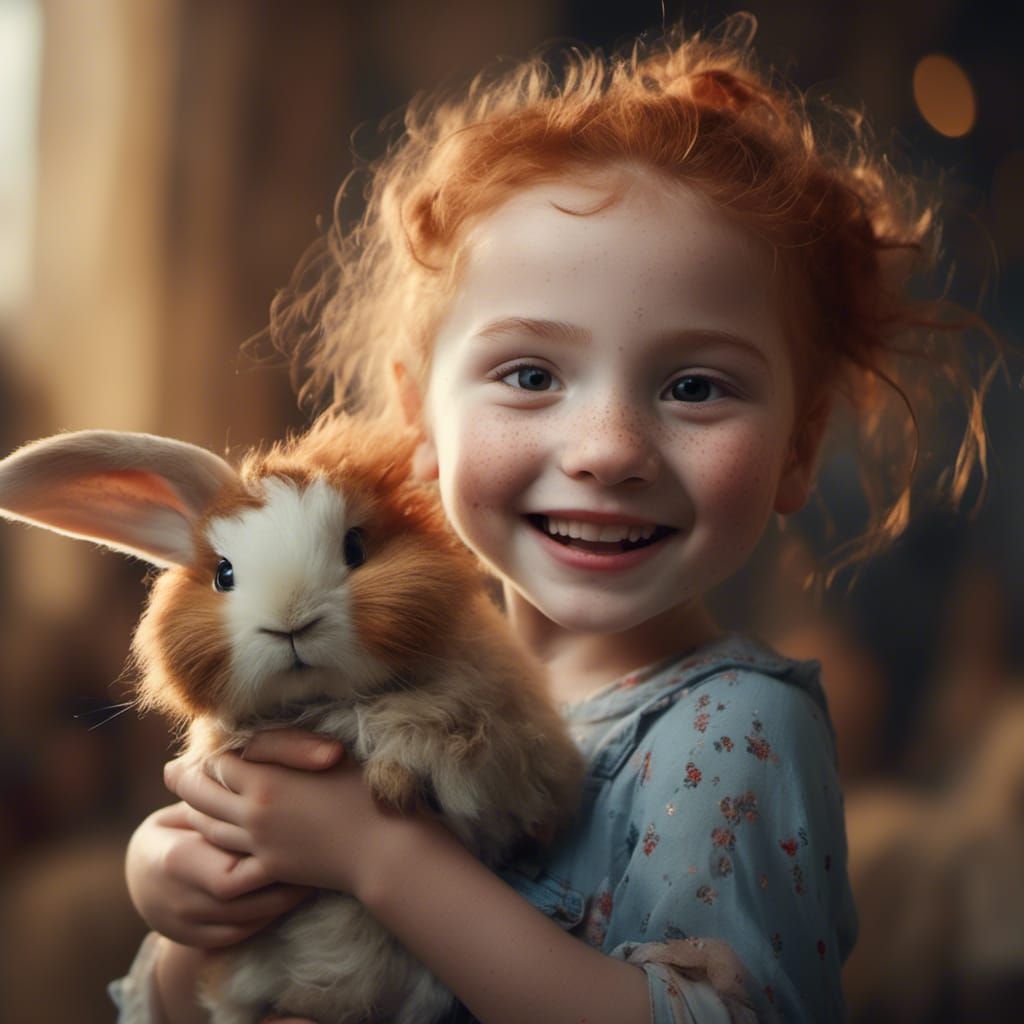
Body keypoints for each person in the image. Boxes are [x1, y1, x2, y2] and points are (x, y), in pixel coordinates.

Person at [110, 15, 990, 1024]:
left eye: (696, 386)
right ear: (416, 425)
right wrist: (187, 916)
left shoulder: (734, 732)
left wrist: (382, 857)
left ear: (797, 446)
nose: (609, 447)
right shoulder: (375, 671)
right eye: (530, 374)